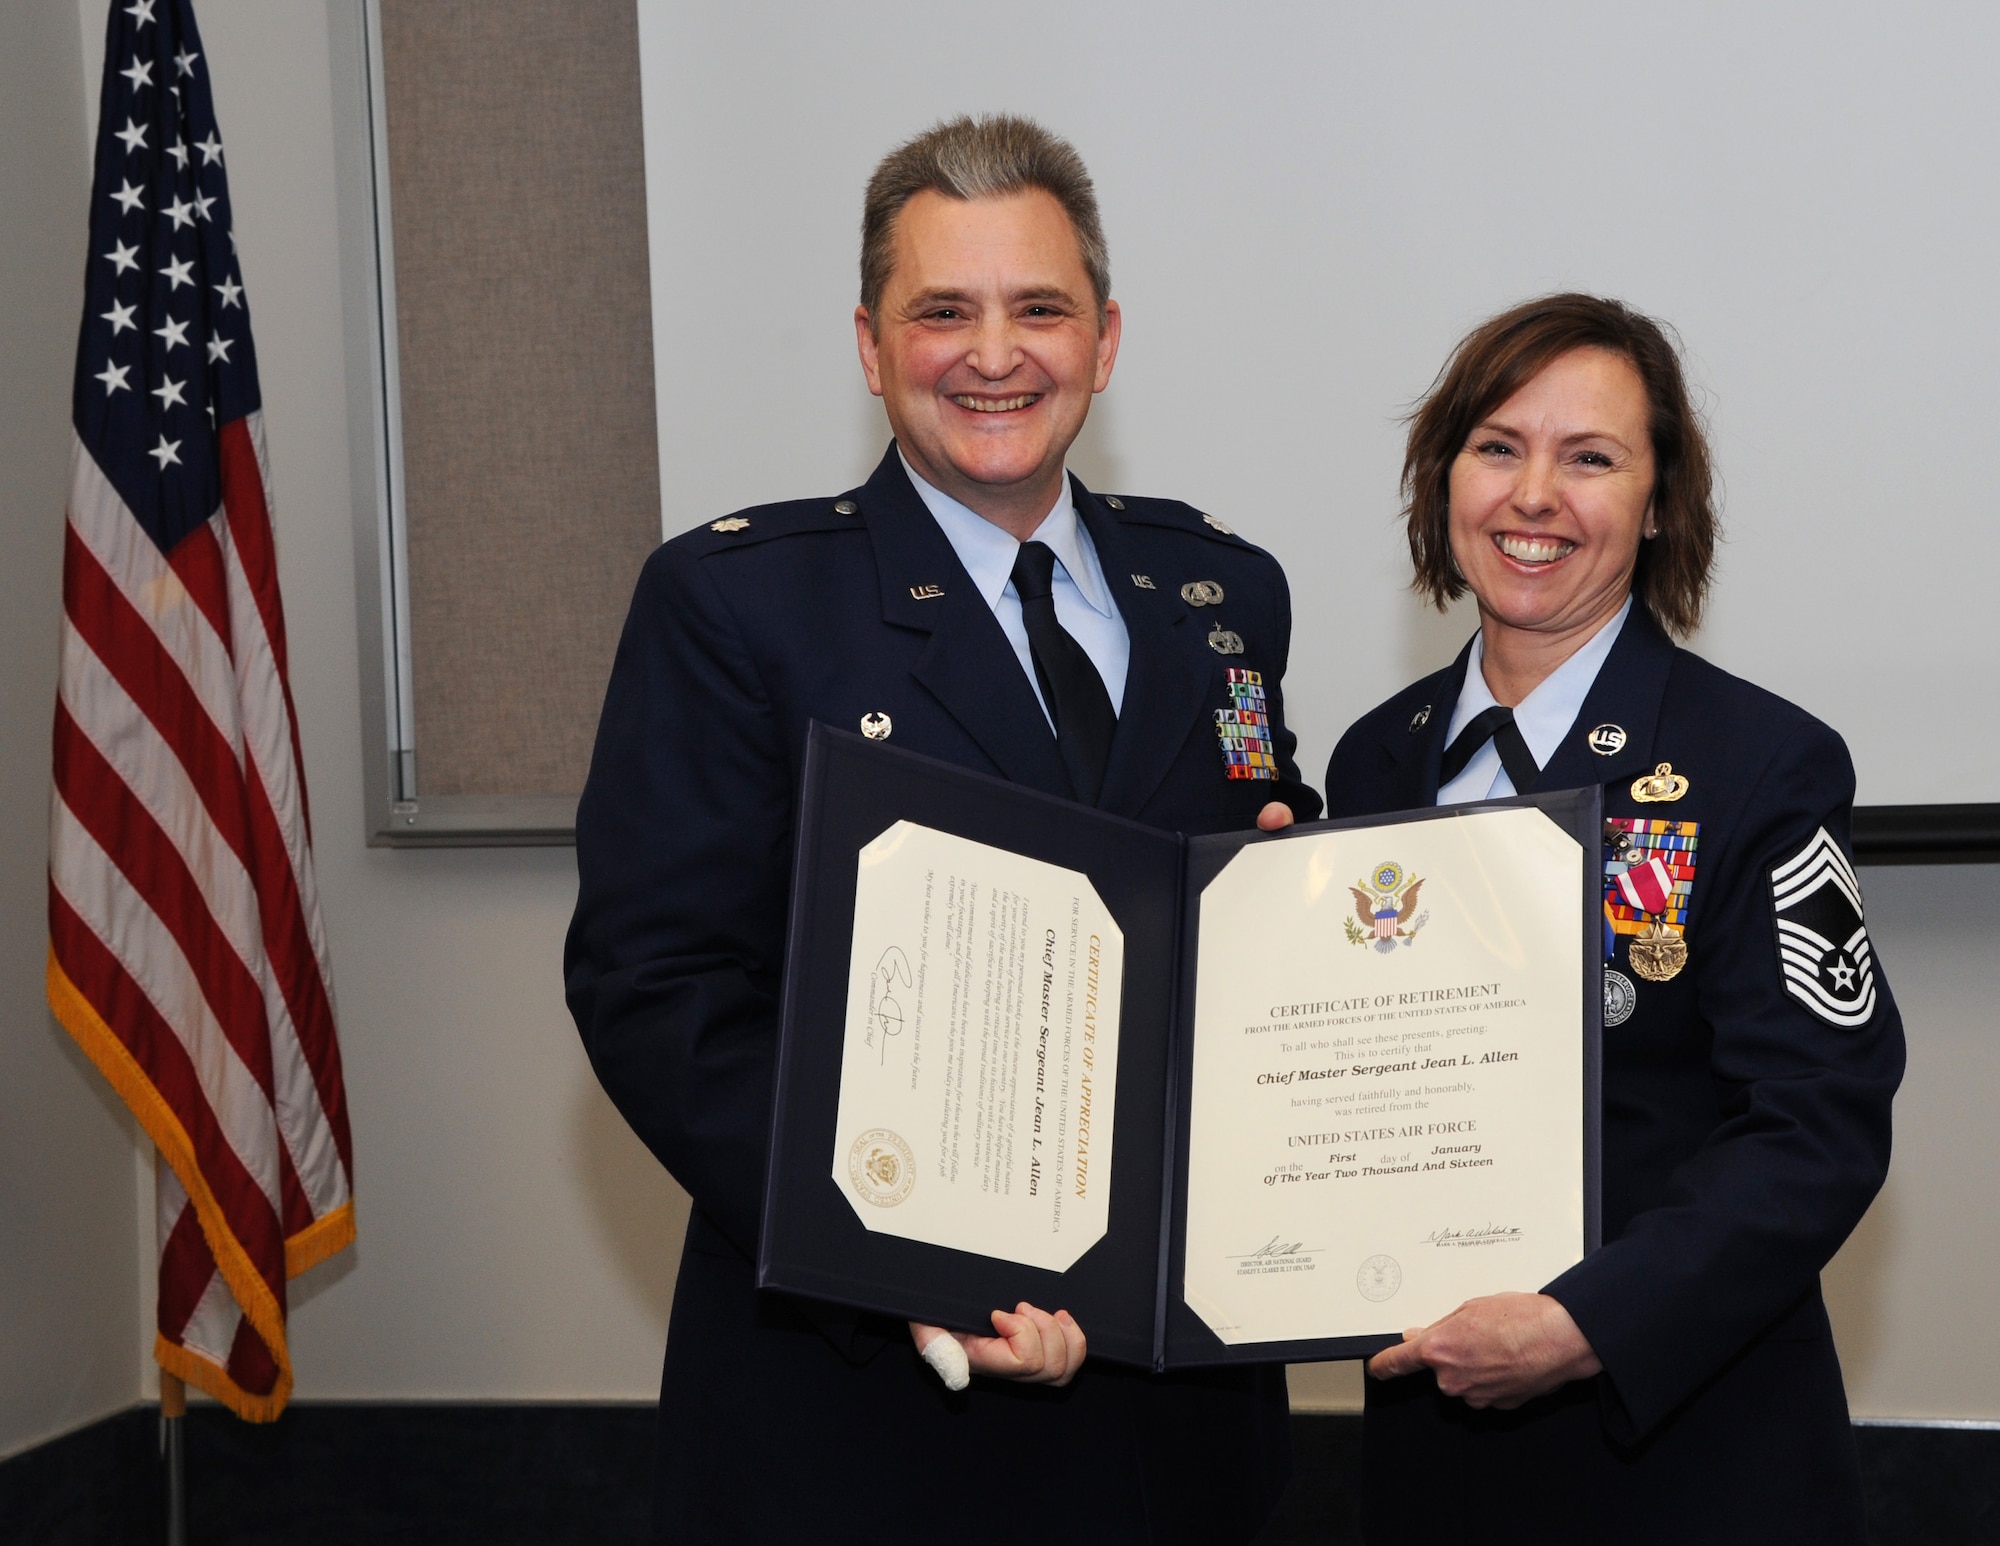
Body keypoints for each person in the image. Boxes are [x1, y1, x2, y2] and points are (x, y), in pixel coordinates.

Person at [564, 115, 1321, 1544]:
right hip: (868, 1422)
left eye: (1040, 307)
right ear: (868, 344)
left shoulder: (1220, 591)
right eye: (941, 312)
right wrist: (914, 1264)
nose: (995, 353)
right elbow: (657, 992)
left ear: (1105, 339)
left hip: (1180, 1433)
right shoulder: (738, 607)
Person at [1272, 293, 1904, 1542]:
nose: (1532, 496)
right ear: (1441, 474)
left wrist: (1583, 1326)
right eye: (1496, 446)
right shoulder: (1376, 761)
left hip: (1689, 1460)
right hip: (1433, 1464)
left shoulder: (1755, 763)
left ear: (1660, 502)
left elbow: (1814, 1126)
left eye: (1590, 458)